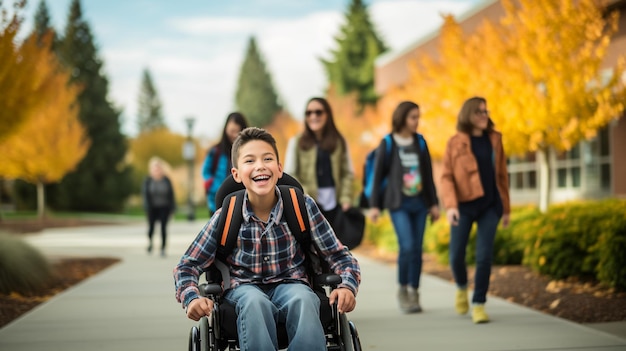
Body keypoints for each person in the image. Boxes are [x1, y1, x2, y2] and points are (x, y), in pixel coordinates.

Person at [174, 127, 360, 351]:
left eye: (268, 158)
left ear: (279, 169)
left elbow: (341, 257)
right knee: (255, 302)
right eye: (249, 160)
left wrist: (347, 286)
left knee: (303, 298)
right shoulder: (227, 215)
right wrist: (192, 297)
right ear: (236, 174)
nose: (260, 166)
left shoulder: (301, 206)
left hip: (293, 284)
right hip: (243, 289)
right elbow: (186, 265)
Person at [440, 96, 510, 324]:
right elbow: (447, 177)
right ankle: (461, 286)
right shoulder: (455, 142)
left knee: (484, 256)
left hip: (490, 206)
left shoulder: (495, 139)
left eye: (486, 111)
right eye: (479, 111)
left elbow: (501, 175)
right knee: (456, 255)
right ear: (467, 114)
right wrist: (450, 207)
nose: (484, 115)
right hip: (463, 207)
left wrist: (506, 209)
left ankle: (479, 303)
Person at [367, 101, 440, 313]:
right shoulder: (388, 142)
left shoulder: (420, 142)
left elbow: (427, 174)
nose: (417, 121)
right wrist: (374, 206)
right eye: (413, 117)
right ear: (402, 118)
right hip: (398, 204)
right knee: (407, 246)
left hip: (419, 203)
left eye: (418, 117)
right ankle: (403, 289)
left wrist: (434, 203)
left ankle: (414, 291)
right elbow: (378, 174)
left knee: (417, 249)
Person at [284, 97, 355, 231]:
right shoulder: (296, 142)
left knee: (335, 246)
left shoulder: (339, 141)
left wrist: (346, 198)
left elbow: (347, 172)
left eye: (318, 112)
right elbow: (290, 174)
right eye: (308, 113)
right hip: (308, 204)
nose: (313, 116)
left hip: (335, 204)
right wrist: (305, 195)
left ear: (327, 114)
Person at [202, 112, 248, 216]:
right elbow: (206, 172)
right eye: (232, 131)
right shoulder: (215, 151)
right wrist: (214, 187)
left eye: (238, 131)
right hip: (216, 201)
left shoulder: (247, 152)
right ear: (226, 129)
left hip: (242, 200)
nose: (235, 135)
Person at [142, 157, 176, 257]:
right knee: (151, 228)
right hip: (152, 208)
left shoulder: (166, 180)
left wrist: (172, 208)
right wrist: (147, 206)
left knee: (163, 228)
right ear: (151, 170)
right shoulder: (148, 181)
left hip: (164, 207)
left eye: (158, 168)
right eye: (155, 168)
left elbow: (171, 194)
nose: (157, 170)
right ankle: (150, 243)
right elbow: (145, 194)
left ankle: (163, 248)